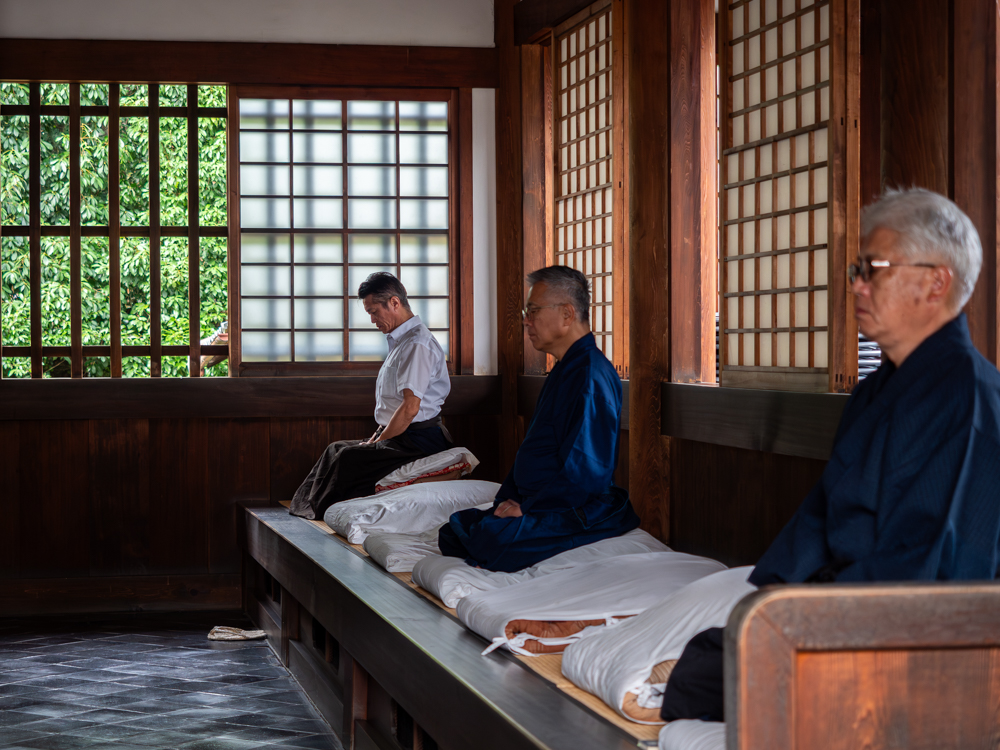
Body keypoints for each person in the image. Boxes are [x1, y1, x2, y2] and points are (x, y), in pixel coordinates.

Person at [661, 188, 1000, 723]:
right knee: (709, 657)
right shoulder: (874, 391)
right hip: (842, 597)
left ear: (937, 282)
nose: (857, 286)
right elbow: (820, 516)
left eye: (873, 270)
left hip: (905, 626)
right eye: (856, 270)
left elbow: (930, 564)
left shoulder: (969, 396)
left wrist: (814, 613)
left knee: (715, 674)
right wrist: (775, 598)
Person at [438, 265, 640, 572]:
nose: (526, 321)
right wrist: (509, 501)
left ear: (567, 314)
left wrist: (529, 509)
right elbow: (534, 451)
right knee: (455, 529)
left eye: (533, 311)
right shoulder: (567, 367)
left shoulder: (590, 374)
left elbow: (585, 470)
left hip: (572, 506)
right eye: (526, 312)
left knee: (491, 539)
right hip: (542, 501)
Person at [288, 272, 452, 520]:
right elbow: (395, 407)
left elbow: (410, 408)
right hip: (401, 435)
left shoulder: (416, 344)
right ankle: (310, 510)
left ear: (394, 303)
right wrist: (377, 436)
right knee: (335, 449)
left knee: (349, 457)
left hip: (419, 439)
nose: (372, 320)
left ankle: (329, 513)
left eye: (374, 312)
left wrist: (378, 443)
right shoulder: (401, 341)